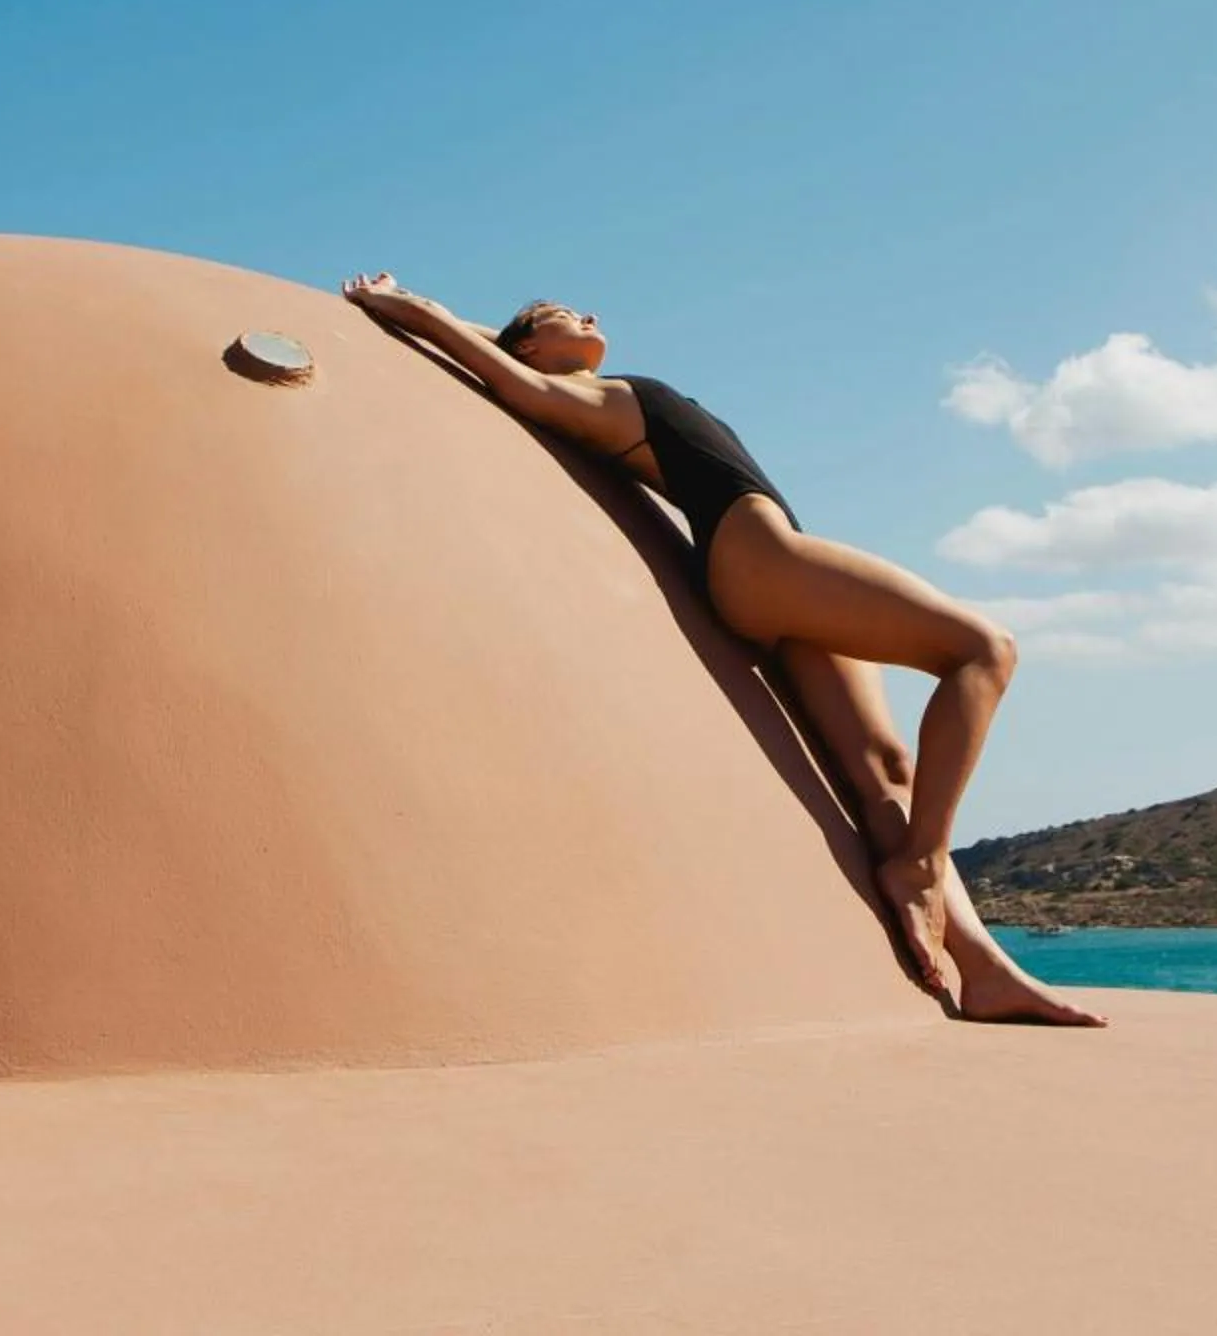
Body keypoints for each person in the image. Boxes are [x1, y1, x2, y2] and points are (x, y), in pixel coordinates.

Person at [341, 273, 1103, 1027]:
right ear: (536, 346)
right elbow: (508, 372)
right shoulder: (578, 396)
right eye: (562, 312)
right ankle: (922, 864)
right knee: (984, 649)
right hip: (759, 558)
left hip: (769, 564)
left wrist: (448, 316)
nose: (588, 312)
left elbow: (495, 343)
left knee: (885, 773)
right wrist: (407, 306)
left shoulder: (590, 384)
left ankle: (984, 971)